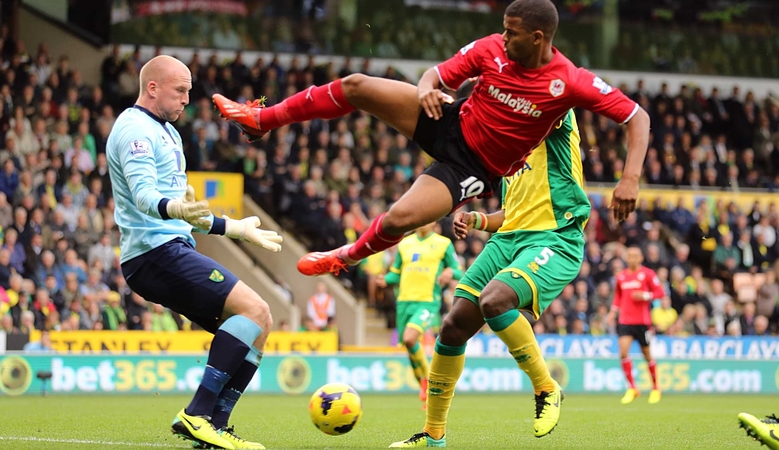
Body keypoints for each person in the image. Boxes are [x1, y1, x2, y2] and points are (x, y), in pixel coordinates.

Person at [213, 0, 648, 278]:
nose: (503, 36)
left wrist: (629, 179)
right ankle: (261, 120)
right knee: (358, 85)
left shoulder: (569, 81)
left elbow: (637, 117)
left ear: (537, 38)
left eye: (512, 32)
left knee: (402, 217)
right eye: (503, 28)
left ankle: (344, 258)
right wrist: (426, 88)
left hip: (473, 167)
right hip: (448, 119)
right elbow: (436, 75)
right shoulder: (492, 49)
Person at [107, 55, 283, 450]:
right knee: (252, 309)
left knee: (261, 322)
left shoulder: (167, 132)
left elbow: (187, 210)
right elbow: (145, 197)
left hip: (170, 246)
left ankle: (213, 428)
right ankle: (197, 414)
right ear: (152, 88)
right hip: (153, 254)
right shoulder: (134, 129)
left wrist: (234, 228)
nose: (188, 99)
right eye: (181, 90)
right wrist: (177, 210)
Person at [391, 108, 584, 448]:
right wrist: (479, 220)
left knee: (495, 301)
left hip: (555, 236)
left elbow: (544, 99)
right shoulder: (511, 153)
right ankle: (434, 434)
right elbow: (512, 215)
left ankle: (546, 387)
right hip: (509, 239)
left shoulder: (554, 111)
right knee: (453, 326)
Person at [377, 221, 463, 409]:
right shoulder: (405, 244)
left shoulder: (443, 244)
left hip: (427, 301)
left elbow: (458, 270)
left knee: (410, 338)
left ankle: (429, 382)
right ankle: (424, 388)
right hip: (404, 303)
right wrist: (385, 279)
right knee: (410, 345)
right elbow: (396, 273)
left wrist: (450, 271)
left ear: (435, 221)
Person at [606, 247, 665, 405]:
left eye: (635, 256)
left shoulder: (648, 274)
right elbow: (618, 297)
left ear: (640, 258)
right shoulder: (621, 276)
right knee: (623, 352)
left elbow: (660, 292)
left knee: (647, 355)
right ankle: (632, 388)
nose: (632, 258)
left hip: (642, 321)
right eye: (629, 256)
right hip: (625, 321)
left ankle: (655, 388)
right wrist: (612, 313)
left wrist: (646, 295)